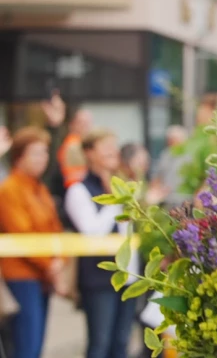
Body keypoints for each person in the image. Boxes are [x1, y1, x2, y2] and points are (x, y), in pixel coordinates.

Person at [65, 129, 139, 358]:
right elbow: (92, 231)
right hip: (99, 280)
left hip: (129, 276)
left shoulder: (125, 186)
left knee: (121, 342)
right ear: (89, 153)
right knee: (100, 343)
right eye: (104, 145)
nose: (111, 151)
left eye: (113, 145)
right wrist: (114, 202)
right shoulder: (79, 190)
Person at [0, 128, 68, 358]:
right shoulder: (9, 189)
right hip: (21, 276)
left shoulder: (40, 189)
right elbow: (22, 234)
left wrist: (59, 261)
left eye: (45, 153)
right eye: (36, 153)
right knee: (25, 347)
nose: (43, 159)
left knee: (35, 346)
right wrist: (51, 266)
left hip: (42, 276)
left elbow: (55, 229)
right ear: (19, 156)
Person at [148, 125, 189, 210]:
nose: (171, 143)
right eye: (169, 140)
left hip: (185, 199)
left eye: (174, 140)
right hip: (167, 200)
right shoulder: (166, 154)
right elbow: (158, 176)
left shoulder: (189, 156)